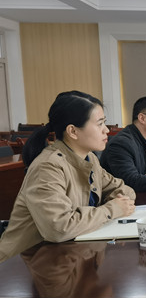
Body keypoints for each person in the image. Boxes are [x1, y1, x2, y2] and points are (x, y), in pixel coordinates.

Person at [0, 91, 136, 262]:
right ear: (73, 131)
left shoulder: (89, 158)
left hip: (66, 256)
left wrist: (116, 203)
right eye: (100, 123)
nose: (106, 130)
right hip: (20, 265)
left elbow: (125, 190)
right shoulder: (47, 167)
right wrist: (111, 209)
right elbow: (59, 228)